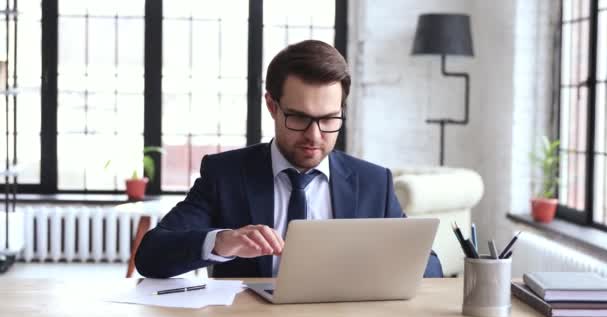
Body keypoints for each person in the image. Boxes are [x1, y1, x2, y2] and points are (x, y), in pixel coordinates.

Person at [135, 40, 443, 278]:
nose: (314, 134)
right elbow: (150, 254)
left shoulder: (373, 182)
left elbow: (431, 267)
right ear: (272, 105)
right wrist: (222, 242)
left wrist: (381, 262)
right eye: (299, 117)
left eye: (329, 119)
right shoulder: (224, 175)